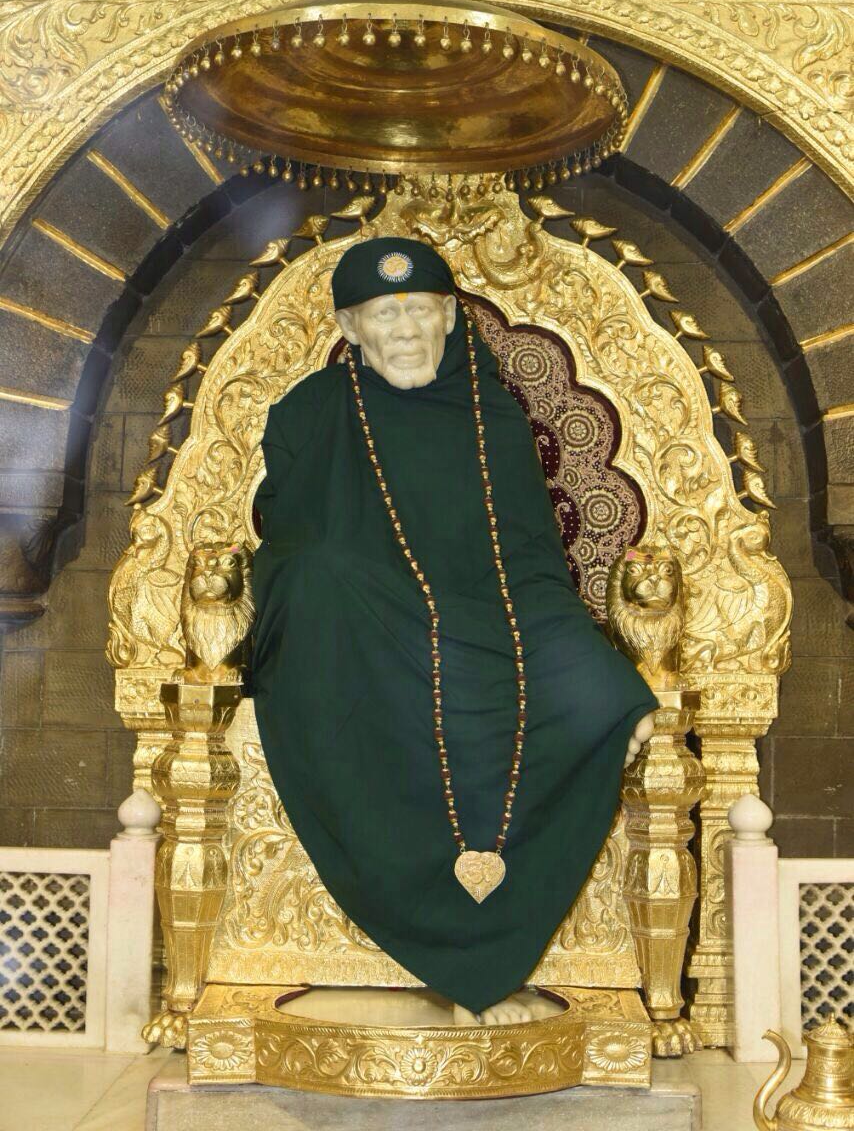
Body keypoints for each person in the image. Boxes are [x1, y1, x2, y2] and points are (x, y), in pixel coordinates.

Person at [251, 236, 657, 1024]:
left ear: (449, 318)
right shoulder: (309, 413)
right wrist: (349, 579)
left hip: (487, 621)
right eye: (383, 314)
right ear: (350, 327)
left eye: (419, 312)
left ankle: (489, 957)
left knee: (591, 700)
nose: (404, 331)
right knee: (320, 575)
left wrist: (615, 686)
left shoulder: (492, 420)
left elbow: (533, 569)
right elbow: (289, 546)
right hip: (358, 632)